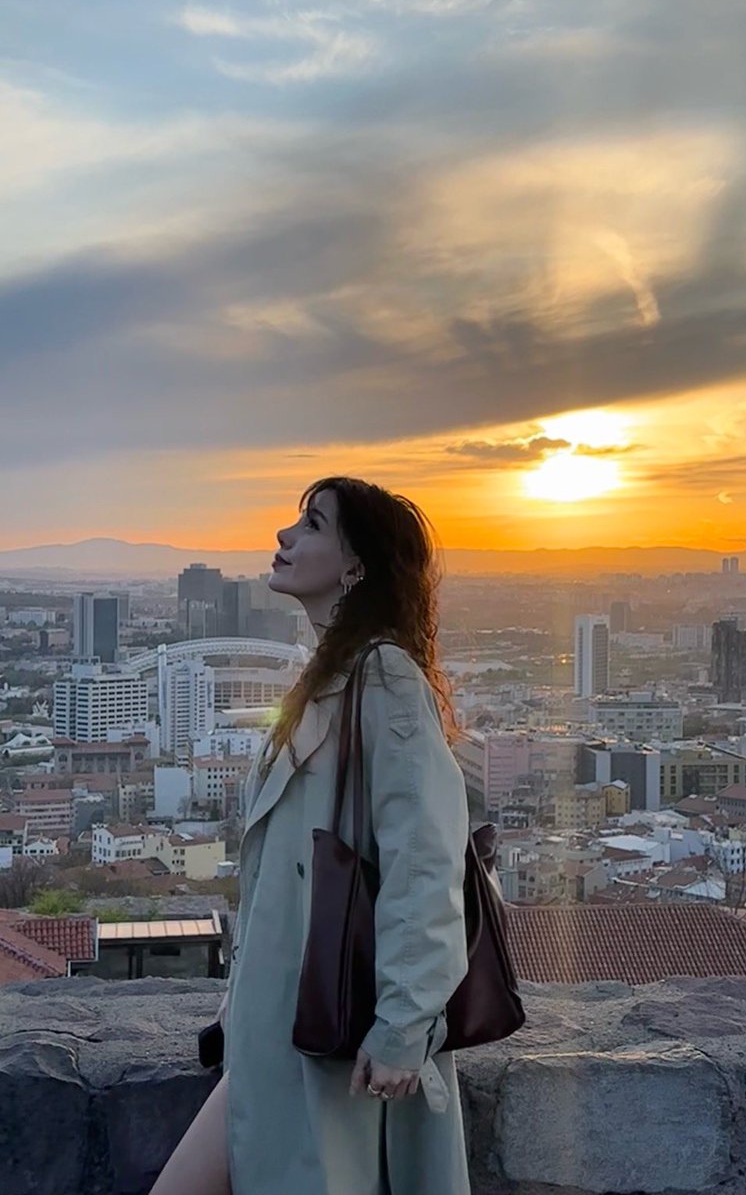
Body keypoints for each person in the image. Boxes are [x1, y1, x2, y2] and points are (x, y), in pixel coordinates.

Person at [150, 476, 475, 1195]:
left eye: (313, 524)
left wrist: (400, 1027)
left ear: (356, 564)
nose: (285, 537)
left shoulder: (384, 677)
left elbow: (427, 858)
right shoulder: (331, 675)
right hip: (281, 1030)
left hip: (335, 1031)